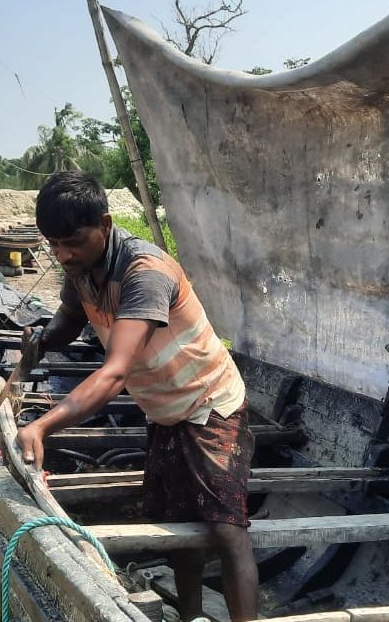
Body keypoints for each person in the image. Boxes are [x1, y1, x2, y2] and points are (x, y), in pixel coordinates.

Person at [16, 171, 258, 621]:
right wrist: (44, 340)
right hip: (164, 411)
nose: (62, 254)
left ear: (105, 225)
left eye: (72, 241)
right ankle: (189, 617)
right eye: (53, 243)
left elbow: (114, 373)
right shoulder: (81, 267)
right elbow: (70, 318)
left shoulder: (144, 273)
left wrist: (43, 424)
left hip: (210, 406)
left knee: (227, 532)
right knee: (176, 530)